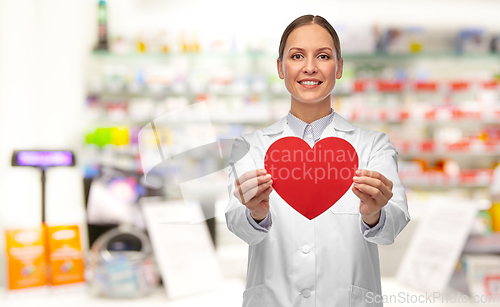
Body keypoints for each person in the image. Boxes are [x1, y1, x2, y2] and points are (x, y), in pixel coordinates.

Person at [225, 15, 410, 307]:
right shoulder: (251, 146)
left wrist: (374, 214)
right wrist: (255, 213)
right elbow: (238, 225)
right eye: (297, 56)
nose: (309, 67)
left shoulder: (372, 145)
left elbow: (391, 229)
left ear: (338, 68)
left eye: (323, 56)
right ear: (280, 67)